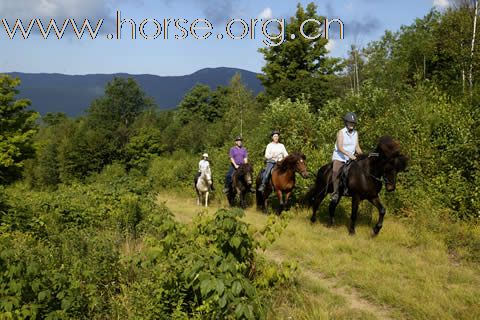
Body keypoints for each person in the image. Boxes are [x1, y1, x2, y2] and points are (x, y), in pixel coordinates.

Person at [331, 112, 363, 202]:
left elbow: (357, 147)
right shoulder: (341, 132)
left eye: (353, 123)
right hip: (340, 157)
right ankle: (335, 193)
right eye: (349, 122)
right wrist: (350, 155)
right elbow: (340, 147)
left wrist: (363, 155)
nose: (351, 124)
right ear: (346, 122)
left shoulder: (356, 133)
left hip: (351, 158)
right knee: (335, 171)